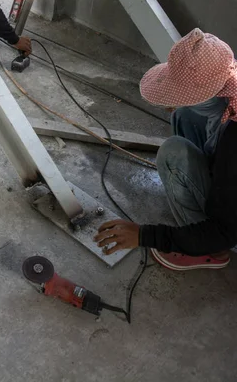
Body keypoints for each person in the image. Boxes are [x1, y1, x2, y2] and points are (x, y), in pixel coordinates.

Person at [94, 28, 237, 271]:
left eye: (190, 95)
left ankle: (210, 253)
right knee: (184, 115)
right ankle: (199, 195)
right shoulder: (230, 83)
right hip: (228, 176)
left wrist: (145, 235)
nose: (174, 102)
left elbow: (226, 230)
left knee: (173, 154)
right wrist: (185, 103)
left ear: (213, 93)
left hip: (228, 230)